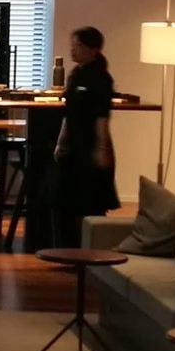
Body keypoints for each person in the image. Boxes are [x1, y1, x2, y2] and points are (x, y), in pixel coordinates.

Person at [52, 23, 122, 233]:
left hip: (90, 143)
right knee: (65, 198)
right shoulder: (75, 74)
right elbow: (68, 111)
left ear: (94, 49)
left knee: (91, 198)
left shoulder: (101, 77)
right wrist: (61, 141)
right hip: (73, 141)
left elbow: (102, 117)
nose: (73, 50)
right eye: (72, 45)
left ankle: (91, 240)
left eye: (79, 46)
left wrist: (101, 149)